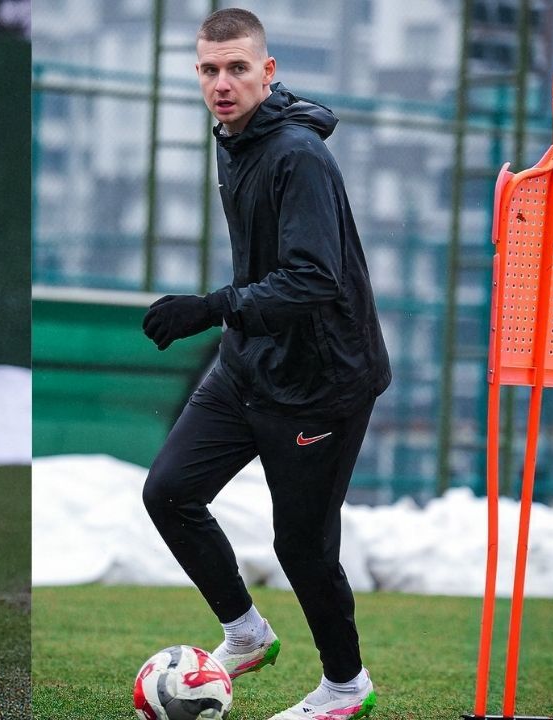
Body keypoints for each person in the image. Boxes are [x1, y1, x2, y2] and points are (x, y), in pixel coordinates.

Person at [140, 8, 389, 720]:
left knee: (302, 546)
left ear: (267, 72)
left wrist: (209, 307)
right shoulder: (233, 138)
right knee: (169, 491)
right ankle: (246, 633)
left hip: (322, 383)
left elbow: (315, 279)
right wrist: (227, 318)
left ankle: (345, 686)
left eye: (237, 68)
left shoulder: (296, 156)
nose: (222, 83)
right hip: (250, 365)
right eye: (209, 70)